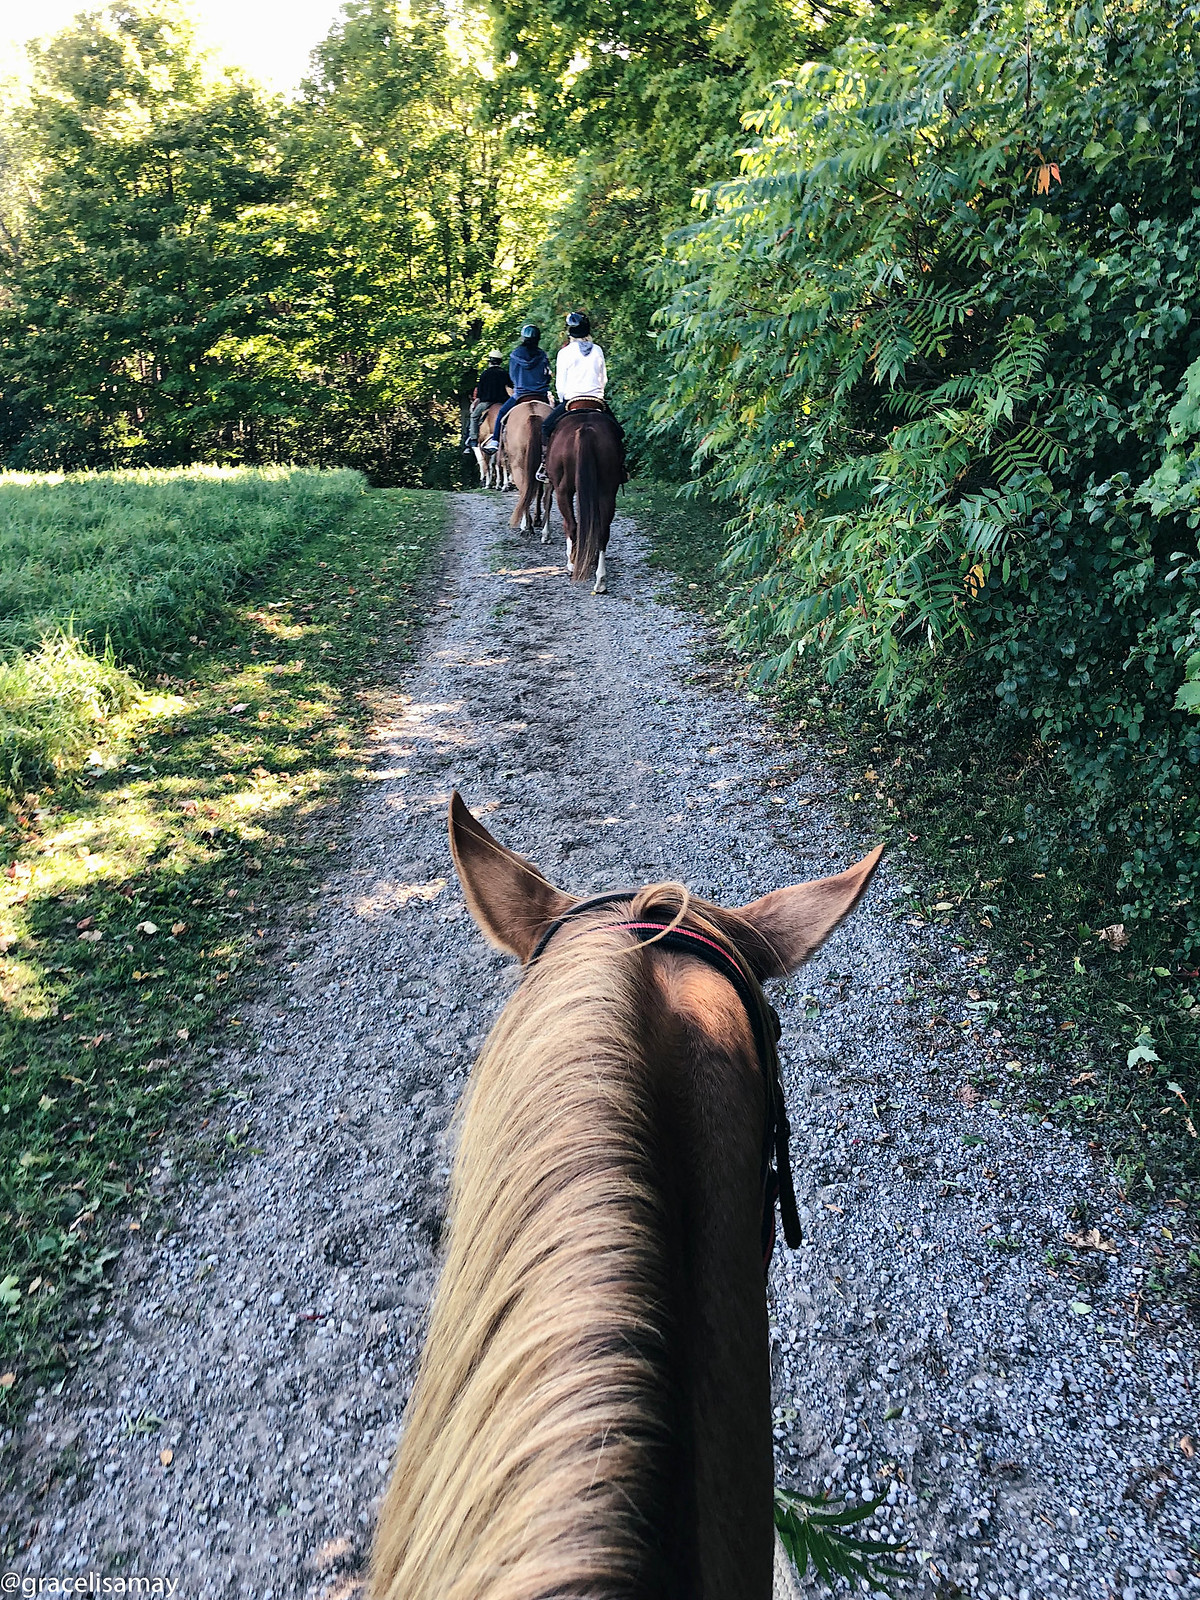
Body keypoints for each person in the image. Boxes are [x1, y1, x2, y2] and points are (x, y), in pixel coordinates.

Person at [536, 311, 625, 481]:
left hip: (572, 401)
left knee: (546, 427)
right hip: (596, 401)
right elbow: (603, 379)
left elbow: (560, 385)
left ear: (569, 331)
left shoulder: (565, 353)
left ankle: (544, 465)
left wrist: (564, 399)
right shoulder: (598, 350)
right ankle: (620, 468)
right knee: (618, 432)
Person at [482, 325, 552, 452]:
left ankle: (495, 441)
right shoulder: (542, 355)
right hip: (541, 395)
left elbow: (513, 377)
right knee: (557, 417)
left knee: (502, 413)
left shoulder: (515, 355)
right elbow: (547, 375)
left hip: (520, 394)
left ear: (523, 338)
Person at [463, 351, 511, 454]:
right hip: (503, 402)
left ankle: (473, 439)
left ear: (490, 362)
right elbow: (510, 387)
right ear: (500, 362)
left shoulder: (485, 374)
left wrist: (478, 400)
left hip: (487, 402)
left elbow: (480, 393)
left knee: (474, 416)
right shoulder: (504, 373)